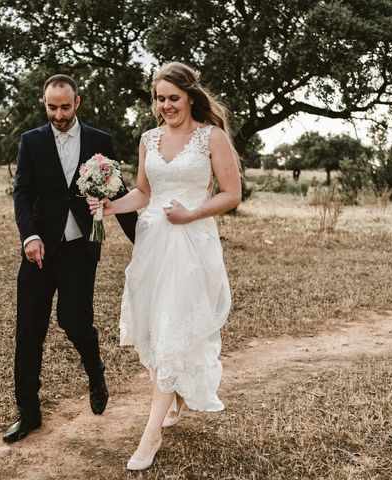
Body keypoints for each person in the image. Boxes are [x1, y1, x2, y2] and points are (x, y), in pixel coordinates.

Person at [88, 62, 241, 470]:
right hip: (152, 244)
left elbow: (231, 194)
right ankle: (171, 396)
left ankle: (150, 433)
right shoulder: (148, 139)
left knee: (175, 324)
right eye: (160, 98)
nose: (166, 105)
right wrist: (109, 207)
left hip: (191, 244)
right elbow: (142, 192)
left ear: (190, 96)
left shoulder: (212, 137)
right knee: (156, 326)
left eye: (174, 97)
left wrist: (191, 213)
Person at [4, 74, 138, 443]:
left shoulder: (100, 141)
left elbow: (118, 192)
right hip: (39, 251)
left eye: (65, 107)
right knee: (29, 330)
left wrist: (142, 240)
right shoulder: (30, 142)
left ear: (77, 102)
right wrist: (29, 236)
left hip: (81, 248)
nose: (58, 114)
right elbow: (22, 193)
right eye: (52, 107)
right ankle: (28, 413)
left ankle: (95, 370)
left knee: (75, 322)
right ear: (44, 104)